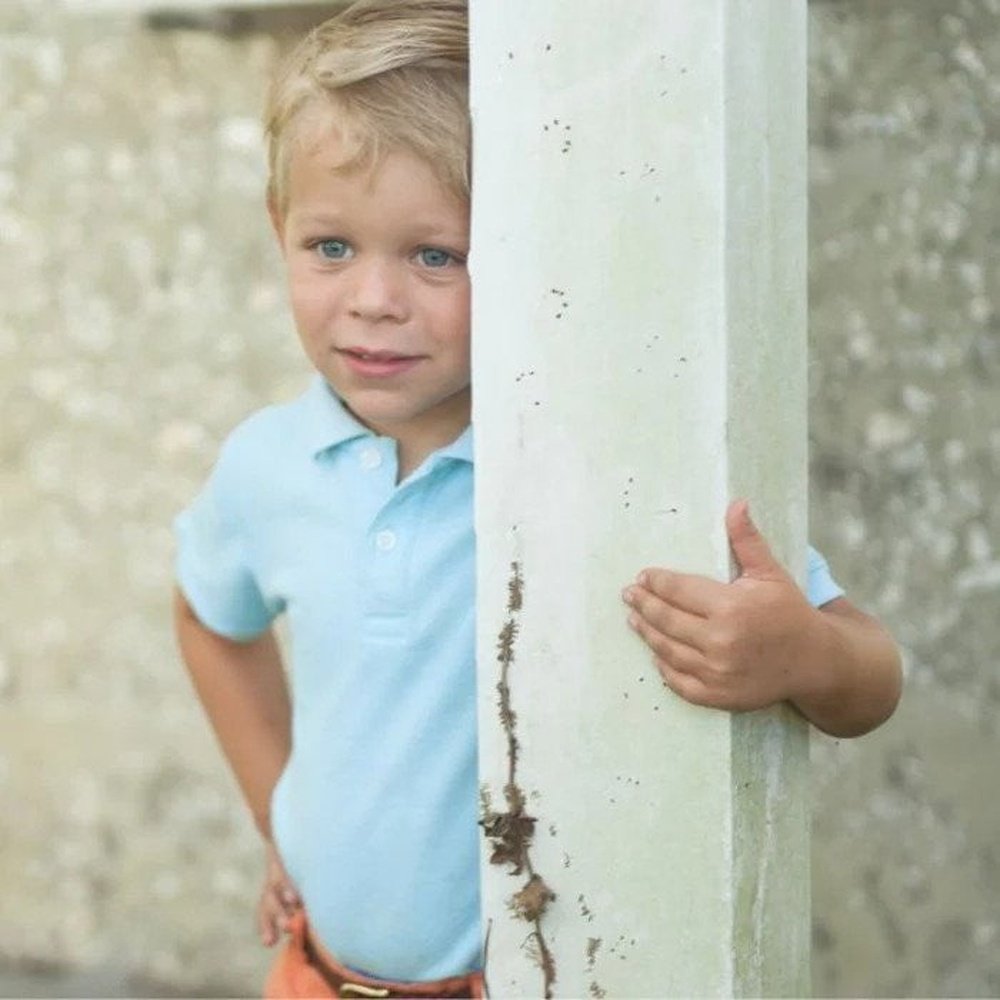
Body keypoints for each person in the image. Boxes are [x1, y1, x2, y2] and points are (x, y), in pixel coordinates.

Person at [172, 0, 902, 996]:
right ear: (277, 228)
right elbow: (210, 617)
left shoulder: (597, 475)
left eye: (436, 255)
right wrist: (282, 817)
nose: (373, 298)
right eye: (330, 246)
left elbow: (872, 676)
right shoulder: (265, 469)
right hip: (313, 976)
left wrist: (802, 653)